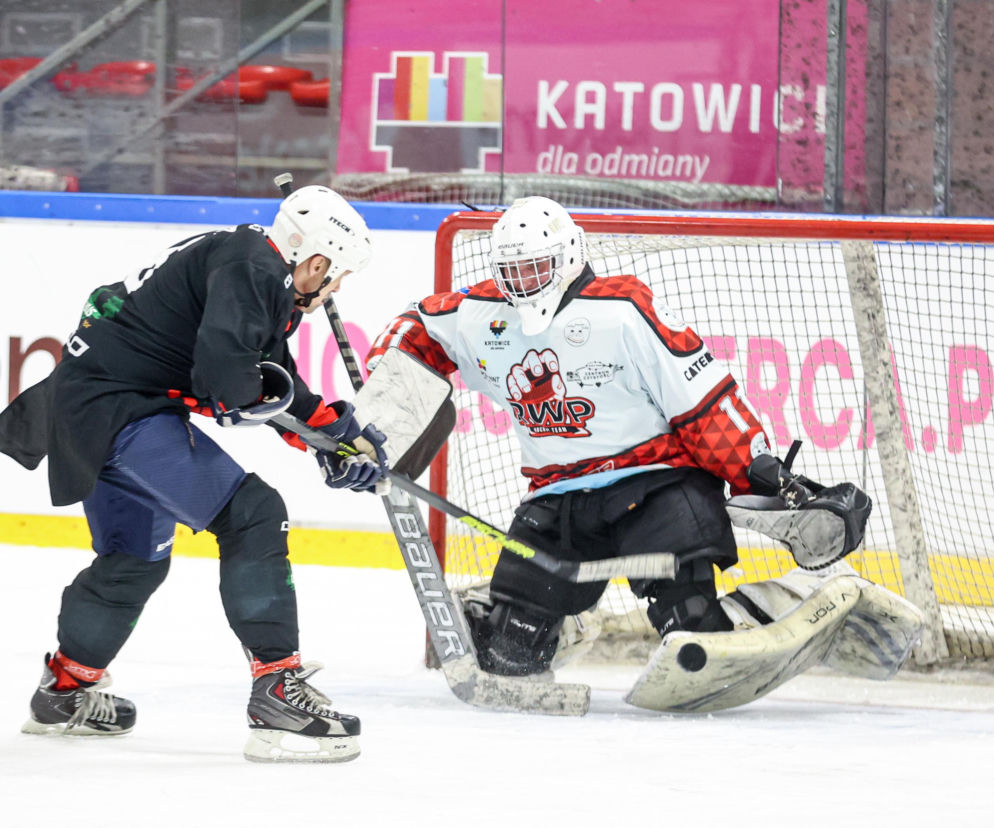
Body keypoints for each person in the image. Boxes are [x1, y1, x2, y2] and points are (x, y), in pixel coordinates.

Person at [367, 195, 909, 689]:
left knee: (694, 628)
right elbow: (415, 326)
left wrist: (756, 467)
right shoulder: (484, 314)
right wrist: (377, 399)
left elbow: (702, 402)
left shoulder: (623, 309)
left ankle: (801, 596)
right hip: (557, 499)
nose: (523, 282)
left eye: (535, 267)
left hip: (655, 487)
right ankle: (558, 622)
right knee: (512, 651)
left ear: (569, 255)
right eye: (511, 271)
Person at [0, 185, 387, 762]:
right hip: (120, 410)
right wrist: (314, 435)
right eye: (338, 276)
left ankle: (66, 690)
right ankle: (278, 693)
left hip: (93, 405)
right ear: (317, 260)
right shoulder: (254, 269)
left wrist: (328, 430)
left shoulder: (252, 264)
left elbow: (263, 374)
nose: (335, 289)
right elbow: (228, 384)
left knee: (134, 561)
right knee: (255, 515)